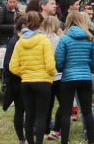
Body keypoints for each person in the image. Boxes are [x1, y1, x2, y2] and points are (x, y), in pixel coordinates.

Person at [54, 11, 94, 144]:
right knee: (87, 111)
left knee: (66, 111)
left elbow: (59, 60)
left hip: (68, 77)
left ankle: (64, 141)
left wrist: (63, 68)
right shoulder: (90, 38)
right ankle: (91, 140)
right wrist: (87, 65)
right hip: (85, 76)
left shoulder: (64, 38)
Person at [11, 12, 57, 144]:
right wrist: (50, 75)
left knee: (29, 114)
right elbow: (50, 65)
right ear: (41, 24)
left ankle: (29, 141)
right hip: (42, 81)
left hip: (27, 81)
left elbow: (13, 66)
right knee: (41, 115)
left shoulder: (20, 42)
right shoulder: (44, 41)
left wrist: (24, 73)